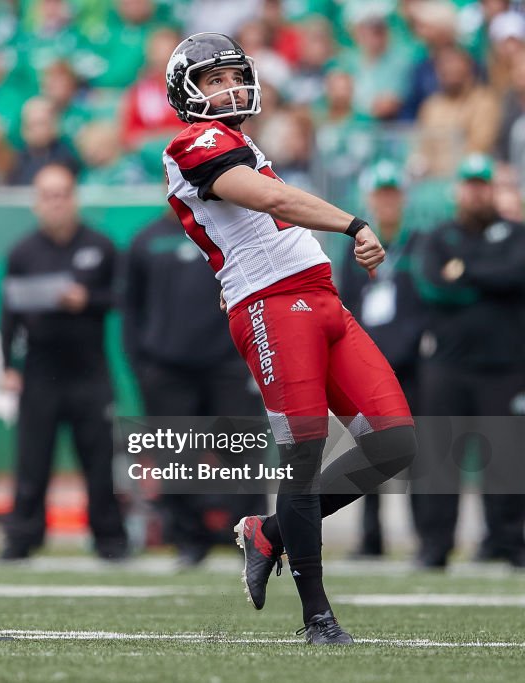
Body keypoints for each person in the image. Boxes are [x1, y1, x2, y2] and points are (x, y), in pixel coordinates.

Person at [163, 34, 416, 643]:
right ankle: (317, 615)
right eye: (213, 80)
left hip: (321, 298)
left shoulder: (241, 141)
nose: (228, 88)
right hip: (272, 305)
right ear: (186, 93)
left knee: (395, 443)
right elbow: (269, 197)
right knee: (304, 455)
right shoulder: (191, 144)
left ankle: (269, 532)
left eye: (232, 76)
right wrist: (353, 222)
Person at [121, 210, 266, 566]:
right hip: (167, 369)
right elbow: (131, 308)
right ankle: (188, 538)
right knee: (177, 459)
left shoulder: (232, 231)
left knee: (243, 453)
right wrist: (143, 366)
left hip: (229, 363)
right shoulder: (146, 239)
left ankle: (254, 539)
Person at [0, 163, 128, 561]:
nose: (55, 203)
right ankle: (22, 539)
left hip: (89, 369)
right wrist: (8, 364)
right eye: (47, 195)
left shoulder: (101, 245)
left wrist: (85, 300)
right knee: (32, 460)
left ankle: (110, 540)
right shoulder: (22, 251)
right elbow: (7, 312)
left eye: (62, 194)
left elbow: (121, 298)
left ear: (73, 198)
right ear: (38, 202)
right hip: (40, 370)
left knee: (99, 461)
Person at [410, 154, 525, 569]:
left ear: (493, 189)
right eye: (470, 184)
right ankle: (434, 546)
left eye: (483, 184)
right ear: (459, 190)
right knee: (439, 461)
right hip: (448, 366)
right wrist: (485, 279)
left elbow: (515, 274)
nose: (477, 192)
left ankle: (511, 544)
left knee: (508, 461)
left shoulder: (515, 234)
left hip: (505, 365)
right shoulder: (439, 236)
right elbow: (433, 286)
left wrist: (466, 272)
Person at [337, 162, 425, 558]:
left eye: (393, 194)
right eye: (381, 194)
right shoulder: (353, 247)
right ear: (370, 199)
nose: (387, 202)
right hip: (371, 364)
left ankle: (425, 537)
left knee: (417, 452)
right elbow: (348, 305)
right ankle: (370, 537)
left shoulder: (418, 242)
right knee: (371, 448)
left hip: (412, 363)